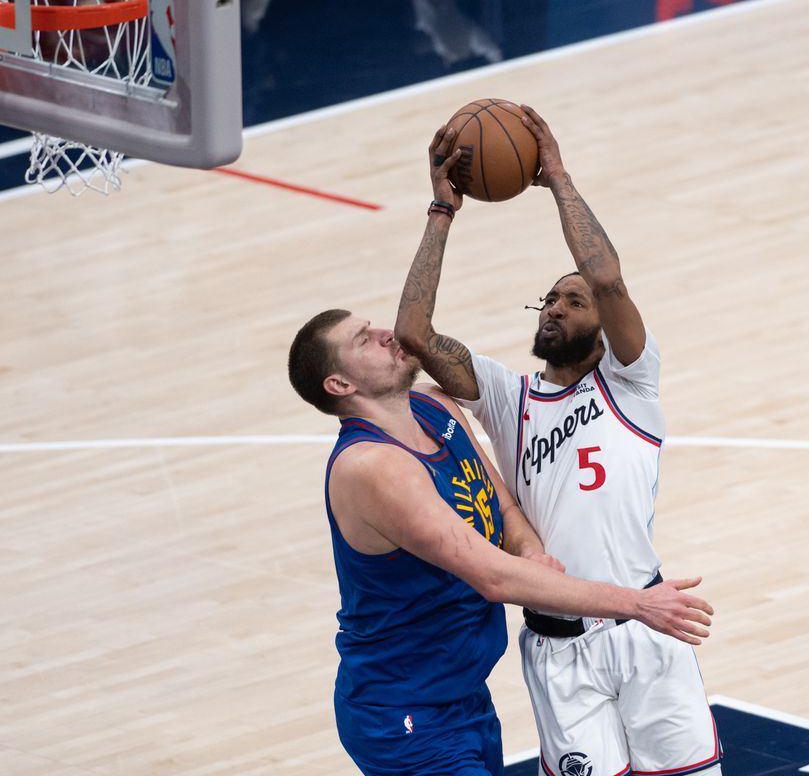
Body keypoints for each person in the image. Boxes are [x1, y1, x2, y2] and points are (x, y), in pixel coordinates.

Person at [394, 107, 723, 776]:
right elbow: (414, 335)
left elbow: (606, 276)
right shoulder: (506, 395)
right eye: (548, 298)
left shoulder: (631, 383)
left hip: (645, 626)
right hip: (558, 649)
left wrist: (559, 180)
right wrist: (440, 212)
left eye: (572, 301)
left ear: (605, 327)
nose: (555, 306)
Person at [287, 309, 713, 776]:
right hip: (402, 713)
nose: (389, 335)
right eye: (364, 339)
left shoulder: (436, 406)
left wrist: (530, 550)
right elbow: (492, 575)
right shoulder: (371, 468)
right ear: (339, 385)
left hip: (464, 695)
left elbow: (503, 506)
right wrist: (638, 604)